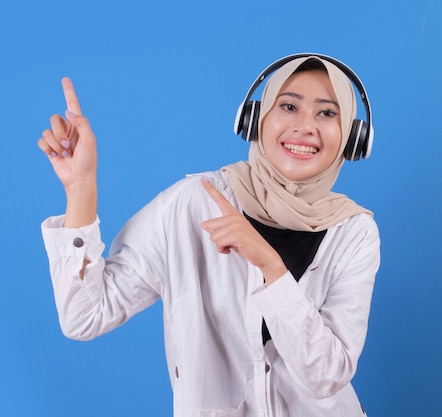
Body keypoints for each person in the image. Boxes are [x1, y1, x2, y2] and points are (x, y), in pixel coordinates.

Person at [37, 53, 380, 417]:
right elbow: (84, 315)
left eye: (327, 113)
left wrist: (271, 267)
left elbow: (326, 377)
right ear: (254, 120)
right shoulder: (191, 205)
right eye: (289, 106)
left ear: (352, 138)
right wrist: (81, 189)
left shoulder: (354, 232)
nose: (305, 126)